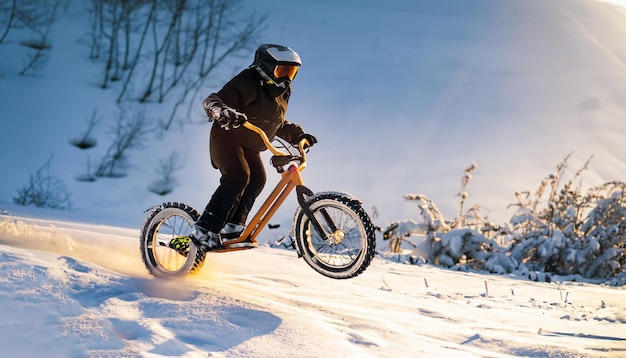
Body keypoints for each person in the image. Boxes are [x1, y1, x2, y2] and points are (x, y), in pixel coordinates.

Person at [191, 44, 317, 249]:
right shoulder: (247, 81)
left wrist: (298, 135)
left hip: (250, 142)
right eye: (282, 70)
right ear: (266, 67)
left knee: (258, 179)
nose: (286, 78)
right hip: (226, 136)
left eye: (291, 72)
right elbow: (212, 101)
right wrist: (223, 112)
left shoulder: (283, 91)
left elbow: (275, 122)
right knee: (238, 176)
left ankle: (232, 226)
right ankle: (205, 229)